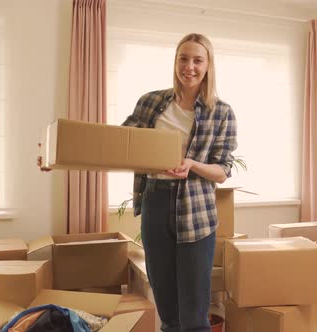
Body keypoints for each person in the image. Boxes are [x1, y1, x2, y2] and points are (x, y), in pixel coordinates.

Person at [122, 33, 237, 332]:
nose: (189, 66)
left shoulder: (221, 113)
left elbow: (223, 170)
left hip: (195, 210)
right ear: (175, 61)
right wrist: (62, 158)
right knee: (168, 308)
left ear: (208, 65)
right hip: (156, 202)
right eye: (183, 58)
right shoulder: (151, 102)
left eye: (198, 60)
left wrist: (193, 165)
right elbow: (118, 145)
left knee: (195, 312)